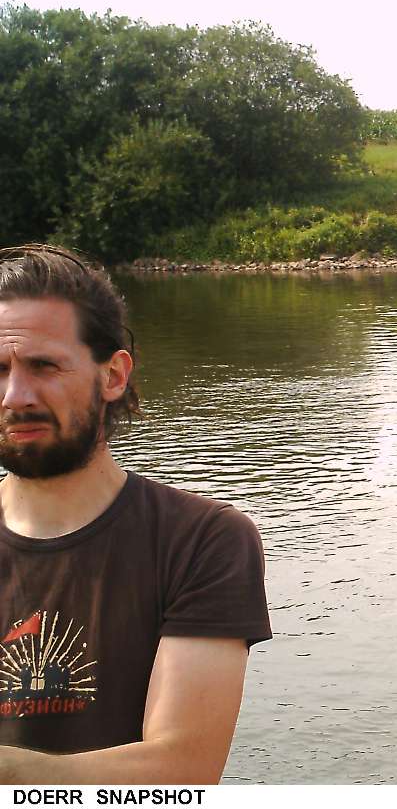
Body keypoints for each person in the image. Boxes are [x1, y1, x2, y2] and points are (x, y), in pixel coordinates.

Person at [0, 245, 271, 783]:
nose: (15, 396)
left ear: (114, 376)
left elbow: (182, 771)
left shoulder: (200, 540)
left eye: (43, 366)